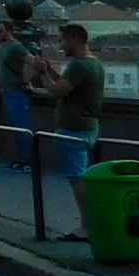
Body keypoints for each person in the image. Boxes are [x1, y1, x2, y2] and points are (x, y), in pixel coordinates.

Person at [37, 21, 106, 241]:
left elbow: (57, 91)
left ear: (74, 39)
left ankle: (87, 227)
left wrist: (41, 74)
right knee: (83, 177)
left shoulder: (79, 65)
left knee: (78, 179)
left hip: (74, 128)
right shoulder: (93, 63)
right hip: (89, 126)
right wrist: (49, 69)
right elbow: (68, 84)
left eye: (63, 40)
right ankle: (91, 223)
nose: (61, 45)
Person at [0, 22, 34, 172]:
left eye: (0, 31)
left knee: (22, 127)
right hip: (8, 91)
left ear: (9, 31)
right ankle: (21, 159)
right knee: (16, 127)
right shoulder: (3, 47)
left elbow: (32, 62)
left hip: (17, 92)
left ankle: (28, 161)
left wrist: (25, 80)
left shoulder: (16, 47)